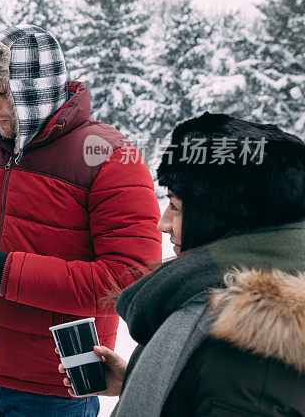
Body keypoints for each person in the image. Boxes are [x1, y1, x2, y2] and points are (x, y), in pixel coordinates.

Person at [0, 23, 162, 416]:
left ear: (37, 89)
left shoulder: (108, 155)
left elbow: (129, 278)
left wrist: (5, 272)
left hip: (58, 387)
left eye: (2, 92)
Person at [58, 112, 305, 416]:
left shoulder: (248, 353)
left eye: (175, 206)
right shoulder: (226, 324)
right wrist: (138, 378)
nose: (162, 223)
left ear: (219, 218)